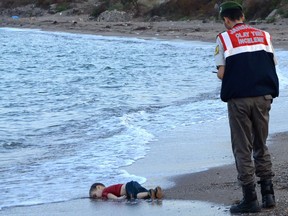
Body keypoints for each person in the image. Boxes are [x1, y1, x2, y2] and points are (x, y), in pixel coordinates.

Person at [214, 1, 279, 214]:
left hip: (239, 100)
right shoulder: (264, 35)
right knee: (261, 143)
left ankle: (250, 198)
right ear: (242, 15)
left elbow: (222, 73)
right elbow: (272, 63)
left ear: (226, 19)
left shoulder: (224, 38)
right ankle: (268, 195)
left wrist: (222, 72)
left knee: (242, 147)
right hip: (263, 97)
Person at [89, 180, 163, 200]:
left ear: (98, 187)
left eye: (95, 195)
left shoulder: (104, 192)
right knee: (141, 191)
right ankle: (155, 191)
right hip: (132, 184)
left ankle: (149, 193)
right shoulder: (109, 188)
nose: (97, 197)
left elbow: (109, 195)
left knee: (135, 196)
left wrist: (117, 198)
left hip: (127, 187)